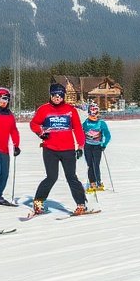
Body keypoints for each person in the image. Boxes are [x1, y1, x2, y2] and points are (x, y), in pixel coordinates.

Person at [29, 82, 89, 215]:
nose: (57, 98)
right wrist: (40, 132)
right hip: (50, 149)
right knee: (51, 177)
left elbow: (78, 129)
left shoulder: (71, 110)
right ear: (50, 95)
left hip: (67, 149)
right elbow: (34, 123)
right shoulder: (44, 109)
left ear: (64, 97)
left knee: (71, 177)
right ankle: (38, 202)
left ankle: (81, 204)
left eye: (60, 95)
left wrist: (80, 146)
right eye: (54, 95)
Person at [82, 102, 112, 191]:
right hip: (87, 146)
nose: (93, 117)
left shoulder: (101, 123)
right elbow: (81, 133)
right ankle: (92, 182)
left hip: (97, 146)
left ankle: (98, 181)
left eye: (95, 114)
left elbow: (108, 135)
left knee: (96, 164)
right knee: (90, 165)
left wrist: (104, 144)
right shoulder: (86, 123)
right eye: (91, 114)